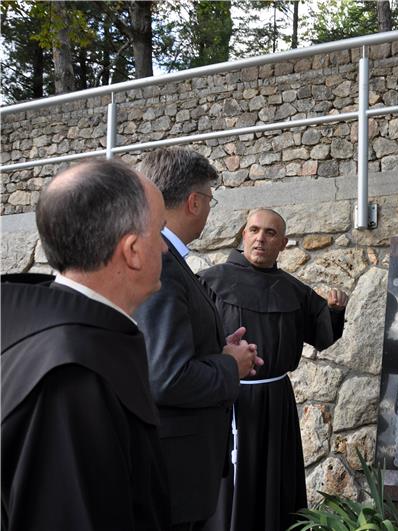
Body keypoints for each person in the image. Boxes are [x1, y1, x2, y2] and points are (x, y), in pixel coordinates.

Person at [1, 160, 170, 530]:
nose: (165, 247)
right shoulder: (72, 377)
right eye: (160, 231)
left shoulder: (58, 330)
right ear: (132, 251)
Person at [134, 148, 262, 530]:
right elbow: (166, 376)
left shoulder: (170, 258)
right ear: (193, 202)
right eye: (209, 199)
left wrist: (218, 349)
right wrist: (230, 365)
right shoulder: (163, 264)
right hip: (173, 472)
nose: (209, 209)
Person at [199, 208, 348, 531]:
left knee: (275, 486)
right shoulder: (211, 282)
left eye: (270, 233)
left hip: (276, 401)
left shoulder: (293, 290)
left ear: (283, 243)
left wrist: (335, 311)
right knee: (233, 488)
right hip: (230, 400)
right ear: (243, 235)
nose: (260, 239)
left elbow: (322, 335)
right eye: (254, 230)